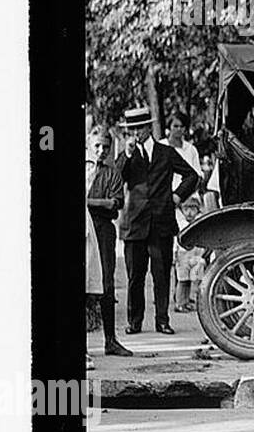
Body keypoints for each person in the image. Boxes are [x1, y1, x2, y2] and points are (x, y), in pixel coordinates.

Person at [118, 106, 201, 335]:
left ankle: (162, 321)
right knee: (135, 276)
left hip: (161, 223)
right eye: (130, 130)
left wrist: (176, 196)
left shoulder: (165, 152)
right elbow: (117, 177)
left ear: (148, 128)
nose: (135, 134)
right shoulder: (127, 154)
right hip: (135, 223)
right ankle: (134, 322)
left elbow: (193, 175)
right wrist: (126, 154)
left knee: (162, 274)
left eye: (138, 129)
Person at [85, 128, 131, 357]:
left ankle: (110, 340)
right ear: (88, 144)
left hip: (102, 229)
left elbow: (116, 203)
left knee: (106, 283)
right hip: (82, 227)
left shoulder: (112, 173)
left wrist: (88, 202)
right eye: (97, 146)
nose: (101, 151)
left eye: (106, 147)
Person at [173, 195, 206, 312]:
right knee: (183, 280)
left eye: (193, 209)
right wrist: (174, 254)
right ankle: (180, 303)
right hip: (183, 255)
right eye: (186, 210)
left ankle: (190, 301)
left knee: (195, 279)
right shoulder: (180, 224)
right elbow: (176, 242)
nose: (189, 213)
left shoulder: (199, 223)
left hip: (196, 255)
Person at [163, 111, 201, 194]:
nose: (179, 129)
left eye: (182, 126)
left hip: (188, 197)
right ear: (169, 127)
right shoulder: (161, 146)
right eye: (175, 126)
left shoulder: (191, 149)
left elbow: (197, 176)